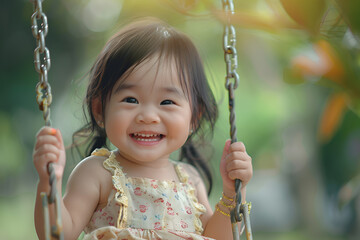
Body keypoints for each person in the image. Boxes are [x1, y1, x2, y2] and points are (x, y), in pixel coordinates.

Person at [33, 18, 253, 240]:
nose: (148, 116)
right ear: (100, 110)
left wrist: (233, 193)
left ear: (193, 118)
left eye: (167, 102)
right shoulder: (97, 173)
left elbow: (217, 237)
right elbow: (57, 235)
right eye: (131, 99)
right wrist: (49, 180)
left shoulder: (190, 180)